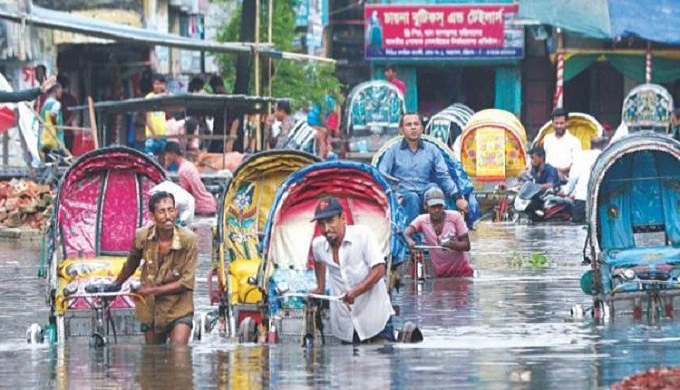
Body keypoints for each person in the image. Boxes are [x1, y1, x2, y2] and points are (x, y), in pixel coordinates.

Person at [111, 191, 198, 345]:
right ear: (152, 216)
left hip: (179, 306)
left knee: (179, 354)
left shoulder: (188, 239)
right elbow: (131, 264)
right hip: (150, 307)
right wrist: (115, 285)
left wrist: (149, 291)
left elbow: (186, 282)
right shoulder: (142, 236)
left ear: (176, 212)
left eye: (171, 210)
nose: (168, 216)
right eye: (162, 212)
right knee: (153, 358)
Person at [309, 196, 395, 344]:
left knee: (380, 362)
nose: (326, 229)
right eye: (321, 224)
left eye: (330, 221)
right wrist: (320, 287)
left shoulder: (363, 235)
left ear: (343, 218)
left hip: (375, 319)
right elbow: (318, 261)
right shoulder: (318, 245)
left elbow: (379, 269)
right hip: (346, 326)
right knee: (347, 365)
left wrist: (355, 292)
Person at [377, 112, 468, 225]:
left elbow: (443, 175)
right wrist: (395, 193)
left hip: (426, 190)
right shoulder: (393, 151)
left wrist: (457, 197)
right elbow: (381, 174)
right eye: (408, 125)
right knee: (412, 197)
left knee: (435, 193)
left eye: (416, 124)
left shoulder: (432, 150)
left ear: (422, 128)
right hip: (404, 194)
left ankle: (440, 235)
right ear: (401, 130)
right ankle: (411, 236)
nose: (413, 127)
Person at [403, 187, 474, 278]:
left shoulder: (455, 217)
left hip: (462, 274)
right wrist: (409, 241)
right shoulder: (422, 220)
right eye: (433, 207)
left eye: (439, 206)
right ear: (426, 206)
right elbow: (405, 233)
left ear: (443, 206)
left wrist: (450, 244)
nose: (437, 210)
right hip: (440, 276)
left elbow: (467, 246)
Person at [558, 137, 606, 223]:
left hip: (581, 198)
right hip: (599, 200)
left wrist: (566, 191)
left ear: (590, 145)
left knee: (578, 229)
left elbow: (573, 177)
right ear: (603, 145)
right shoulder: (606, 157)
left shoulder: (581, 157)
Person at [163, 141, 217, 215]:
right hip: (209, 203)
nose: (165, 157)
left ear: (173, 154)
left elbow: (185, 196)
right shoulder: (188, 165)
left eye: (166, 154)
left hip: (202, 207)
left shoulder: (182, 170)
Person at [542, 108, 582, 180]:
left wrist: (557, 172)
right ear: (552, 123)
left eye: (561, 123)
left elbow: (576, 165)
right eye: (556, 123)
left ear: (567, 123)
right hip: (547, 177)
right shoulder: (547, 139)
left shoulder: (574, 141)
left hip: (566, 179)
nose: (558, 126)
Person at [522, 146, 561, 219]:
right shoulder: (533, 170)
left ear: (542, 157)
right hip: (536, 198)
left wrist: (535, 187)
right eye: (530, 158)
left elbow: (550, 185)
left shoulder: (550, 169)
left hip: (549, 198)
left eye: (533, 158)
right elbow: (526, 181)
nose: (531, 161)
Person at [144, 74, 169, 156]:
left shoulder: (164, 98)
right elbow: (148, 120)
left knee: (163, 159)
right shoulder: (149, 97)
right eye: (156, 84)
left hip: (163, 135)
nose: (158, 86)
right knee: (150, 160)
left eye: (161, 84)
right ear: (152, 84)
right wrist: (155, 135)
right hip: (151, 136)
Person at [38, 83, 65, 158]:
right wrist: (55, 124)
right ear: (56, 90)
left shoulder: (45, 104)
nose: (61, 92)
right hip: (54, 135)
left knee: (46, 154)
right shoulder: (56, 103)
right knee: (57, 155)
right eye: (60, 90)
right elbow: (53, 114)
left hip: (45, 134)